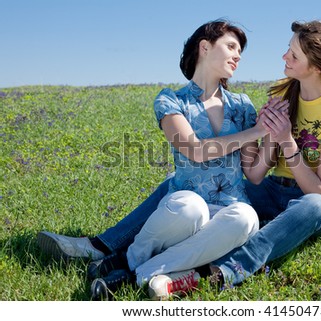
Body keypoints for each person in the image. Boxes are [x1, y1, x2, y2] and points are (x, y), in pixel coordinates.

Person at [38, 19, 321, 298]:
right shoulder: (281, 98)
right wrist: (266, 136)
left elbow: (320, 189)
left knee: (312, 209)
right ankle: (107, 247)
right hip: (271, 188)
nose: (284, 58)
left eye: (293, 54)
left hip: (318, 198)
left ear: (316, 64)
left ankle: (218, 272)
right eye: (288, 50)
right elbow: (255, 176)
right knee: (187, 188)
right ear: (204, 48)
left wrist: (285, 139)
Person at [38, 19, 287, 300]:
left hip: (228, 214)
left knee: (246, 217)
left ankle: (130, 269)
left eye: (240, 50)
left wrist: (275, 132)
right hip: (183, 207)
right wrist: (255, 131)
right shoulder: (171, 101)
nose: (238, 55)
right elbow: (194, 149)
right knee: (193, 208)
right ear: (205, 47)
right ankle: (139, 264)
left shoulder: (241, 105)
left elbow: (253, 174)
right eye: (231, 46)